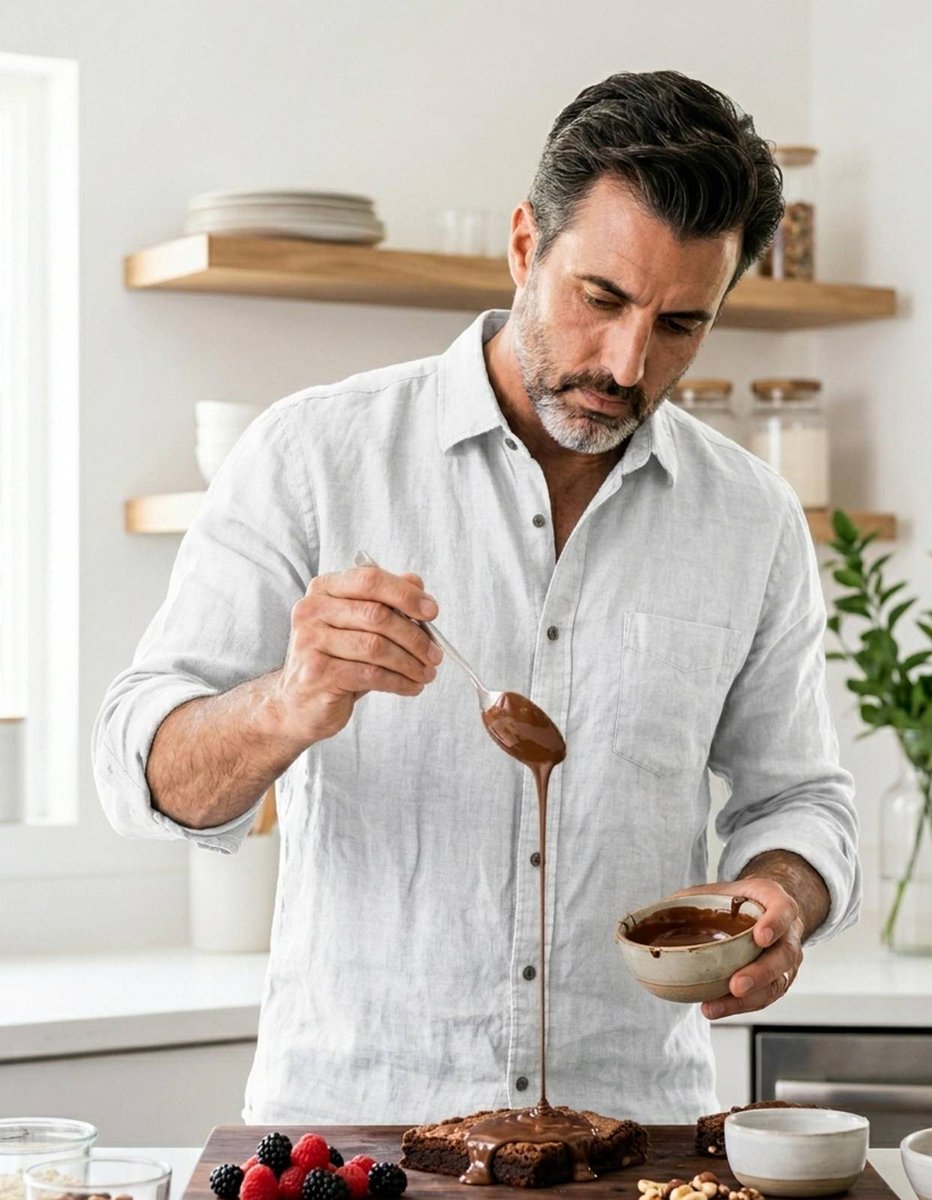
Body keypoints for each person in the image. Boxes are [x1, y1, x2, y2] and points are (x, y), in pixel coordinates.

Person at [93, 70, 860, 1125]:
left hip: (634, 1142)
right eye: (602, 300)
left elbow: (801, 799)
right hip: (356, 1140)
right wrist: (286, 702)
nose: (629, 361)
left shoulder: (754, 519)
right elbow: (140, 774)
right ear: (521, 248)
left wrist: (784, 902)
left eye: (682, 324)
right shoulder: (315, 457)